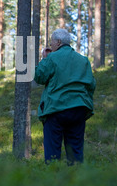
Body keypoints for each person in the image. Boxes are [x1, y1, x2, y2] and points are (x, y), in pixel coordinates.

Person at [34, 29, 96, 165]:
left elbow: (39, 77)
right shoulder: (83, 60)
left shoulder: (51, 58)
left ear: (58, 42)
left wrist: (44, 59)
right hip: (79, 109)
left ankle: (53, 181)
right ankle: (76, 183)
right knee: (75, 154)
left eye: (52, 42)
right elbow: (91, 84)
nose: (51, 45)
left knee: (52, 154)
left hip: (56, 109)